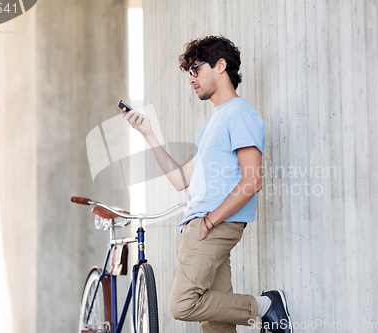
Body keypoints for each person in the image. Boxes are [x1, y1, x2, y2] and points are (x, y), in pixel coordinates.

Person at [124, 36, 292, 333]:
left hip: (212, 224)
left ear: (221, 65)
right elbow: (180, 179)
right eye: (189, 72)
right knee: (216, 326)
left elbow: (252, 181)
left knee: (183, 303)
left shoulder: (241, 114)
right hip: (204, 222)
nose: (192, 78)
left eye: (196, 69)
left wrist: (210, 221)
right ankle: (264, 309)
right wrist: (148, 134)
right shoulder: (211, 126)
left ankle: (266, 306)